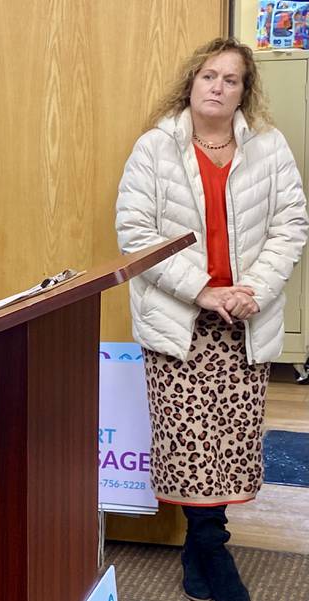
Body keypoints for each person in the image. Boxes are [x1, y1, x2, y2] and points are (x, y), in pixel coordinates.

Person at [115, 38, 307, 601]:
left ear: (245, 91)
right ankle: (211, 548)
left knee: (230, 440)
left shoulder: (270, 147)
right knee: (188, 440)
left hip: (244, 320)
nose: (218, 87)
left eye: (231, 79)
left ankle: (202, 548)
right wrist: (202, 289)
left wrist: (254, 290)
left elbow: (290, 224)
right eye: (209, 76)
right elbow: (135, 234)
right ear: (191, 83)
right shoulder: (154, 148)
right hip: (179, 320)